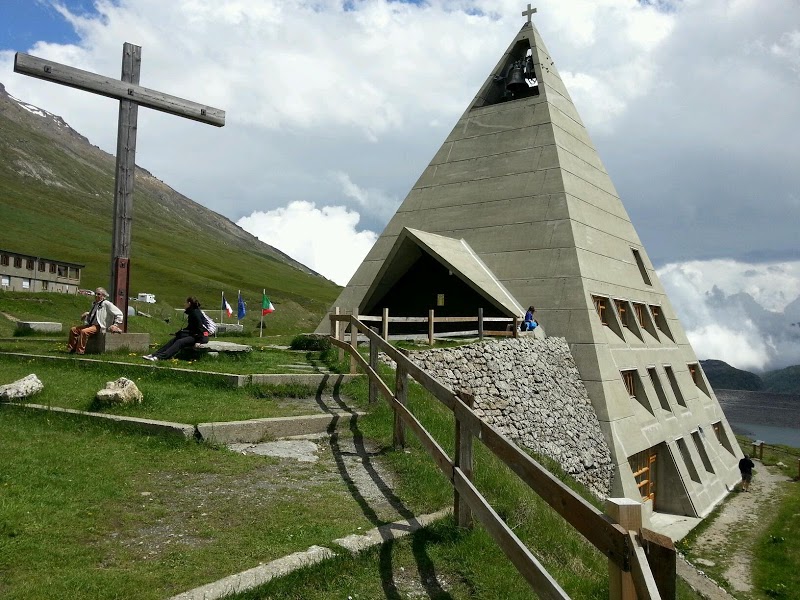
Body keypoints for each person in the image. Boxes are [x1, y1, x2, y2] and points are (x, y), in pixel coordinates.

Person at [143, 296, 209, 361]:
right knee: (175, 339)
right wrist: (181, 332)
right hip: (194, 334)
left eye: (185, 303)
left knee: (180, 342)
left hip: (200, 337)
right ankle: (155, 354)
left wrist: (198, 341)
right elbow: (191, 327)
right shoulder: (192, 312)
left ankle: (160, 357)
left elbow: (200, 328)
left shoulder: (195, 313)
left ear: (189, 303)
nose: (184, 305)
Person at [67, 287, 124, 355]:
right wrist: (87, 314)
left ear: (103, 296)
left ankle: (80, 351)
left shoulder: (106, 304)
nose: (96, 295)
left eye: (98, 294)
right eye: (95, 293)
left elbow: (119, 313)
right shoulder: (94, 304)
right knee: (73, 330)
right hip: (90, 324)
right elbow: (96, 314)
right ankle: (71, 348)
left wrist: (115, 324)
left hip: (99, 326)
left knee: (84, 332)